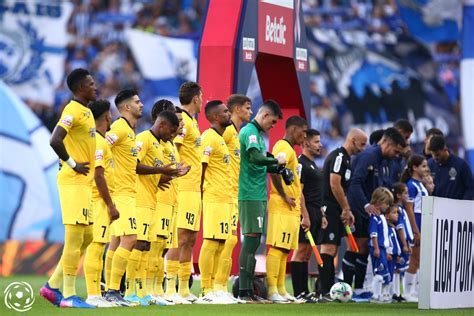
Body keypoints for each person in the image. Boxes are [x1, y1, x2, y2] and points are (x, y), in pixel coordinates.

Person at [40, 68, 98, 308]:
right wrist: (72, 164)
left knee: (88, 236)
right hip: (74, 181)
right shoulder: (72, 110)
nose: (95, 87)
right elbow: (55, 139)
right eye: (91, 84)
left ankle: (52, 286)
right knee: (75, 238)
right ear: (80, 88)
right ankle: (69, 295)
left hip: (84, 183)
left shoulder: (86, 112)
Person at [133, 110, 187, 305]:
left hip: (155, 200)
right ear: (163, 124)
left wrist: (174, 174)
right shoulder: (144, 139)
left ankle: (151, 291)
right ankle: (135, 290)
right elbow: (134, 165)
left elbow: (157, 176)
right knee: (144, 245)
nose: (173, 134)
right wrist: (162, 170)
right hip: (141, 200)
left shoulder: (160, 144)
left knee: (154, 247)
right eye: (173, 130)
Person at [345, 127, 405, 300]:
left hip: (369, 211)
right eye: (395, 150)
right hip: (357, 208)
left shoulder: (383, 160)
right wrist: (365, 205)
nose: (396, 154)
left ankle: (357, 289)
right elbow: (355, 183)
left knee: (363, 248)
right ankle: (347, 288)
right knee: (355, 246)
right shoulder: (369, 156)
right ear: (385, 142)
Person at [237, 100, 285, 303]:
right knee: (250, 241)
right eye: (272, 122)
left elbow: (259, 164)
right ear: (264, 115)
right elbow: (256, 158)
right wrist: (276, 161)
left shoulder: (257, 135)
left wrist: (277, 168)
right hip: (250, 194)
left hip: (256, 193)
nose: (272, 126)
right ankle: (244, 292)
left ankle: (248, 291)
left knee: (254, 240)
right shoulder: (251, 132)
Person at [318, 128, 368, 301]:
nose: (363, 148)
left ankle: (327, 289)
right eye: (362, 144)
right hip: (329, 208)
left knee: (333, 249)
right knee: (328, 248)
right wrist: (346, 208)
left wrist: (347, 209)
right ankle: (325, 291)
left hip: (336, 209)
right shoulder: (339, 156)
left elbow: (342, 188)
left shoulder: (347, 158)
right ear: (352, 140)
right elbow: (334, 184)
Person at [103, 89, 142, 306]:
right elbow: (101, 145)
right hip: (121, 193)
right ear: (127, 107)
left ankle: (109, 290)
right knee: (130, 239)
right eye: (137, 102)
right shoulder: (119, 127)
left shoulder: (129, 130)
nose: (141, 104)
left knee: (116, 242)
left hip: (127, 191)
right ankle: (112, 290)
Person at [266, 116, 310, 304]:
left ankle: (282, 289)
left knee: (284, 250)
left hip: (291, 206)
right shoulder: (283, 147)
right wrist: (283, 195)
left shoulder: (291, 150)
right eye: (304, 132)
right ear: (293, 129)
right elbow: (274, 168)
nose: (305, 137)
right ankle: (272, 290)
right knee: (278, 247)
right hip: (282, 204)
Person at [195, 100, 235, 304]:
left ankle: (217, 289)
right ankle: (205, 289)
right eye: (226, 112)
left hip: (225, 197)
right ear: (215, 117)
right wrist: (201, 195)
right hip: (214, 197)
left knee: (221, 243)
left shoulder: (220, 139)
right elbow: (201, 168)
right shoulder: (208, 138)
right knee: (211, 241)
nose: (229, 114)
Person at [166, 82, 203, 303]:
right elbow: (175, 150)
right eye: (202, 96)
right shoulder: (182, 121)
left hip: (194, 188)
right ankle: (170, 289)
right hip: (184, 187)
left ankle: (183, 289)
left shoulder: (192, 123)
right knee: (179, 238)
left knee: (190, 239)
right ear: (196, 98)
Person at [214, 94, 252, 302]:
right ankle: (215, 287)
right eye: (247, 108)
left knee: (231, 240)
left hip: (235, 192)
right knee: (226, 240)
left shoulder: (237, 133)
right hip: (225, 192)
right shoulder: (227, 132)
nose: (250, 112)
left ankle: (222, 287)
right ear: (236, 109)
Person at [83, 99, 118, 308]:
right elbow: (98, 176)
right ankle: (93, 294)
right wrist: (110, 205)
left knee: (99, 247)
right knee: (96, 248)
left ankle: (97, 293)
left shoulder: (101, 140)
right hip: (98, 200)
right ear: (107, 116)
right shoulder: (97, 140)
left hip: (100, 200)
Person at [290, 129, 325, 303]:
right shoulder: (301, 164)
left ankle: (305, 291)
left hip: (316, 212)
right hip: (307, 212)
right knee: (300, 251)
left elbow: (316, 192)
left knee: (307, 254)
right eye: (317, 142)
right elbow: (299, 192)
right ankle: (299, 293)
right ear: (306, 143)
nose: (320, 145)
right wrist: (305, 215)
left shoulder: (312, 164)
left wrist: (322, 214)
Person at [400, 154, 430, 302]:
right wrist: (415, 230)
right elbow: (409, 209)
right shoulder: (411, 185)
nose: (426, 169)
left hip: (422, 221)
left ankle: (416, 291)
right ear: (414, 168)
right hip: (416, 222)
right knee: (414, 258)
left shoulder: (420, 185)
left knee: (420, 259)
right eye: (423, 166)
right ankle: (407, 292)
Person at [367, 188, 394, 304]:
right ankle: (375, 295)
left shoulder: (381, 217)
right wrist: (376, 248)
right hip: (377, 248)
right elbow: (374, 234)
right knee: (379, 272)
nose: (387, 206)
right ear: (378, 202)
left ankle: (383, 295)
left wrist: (386, 250)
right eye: (386, 203)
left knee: (385, 273)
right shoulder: (374, 218)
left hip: (382, 248)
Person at [428, 135, 474, 200]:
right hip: (438, 207)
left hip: (458, 207)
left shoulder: (461, 165)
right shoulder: (430, 165)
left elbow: (470, 188)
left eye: (437, 154)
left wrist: (463, 204)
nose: (434, 157)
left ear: (445, 149)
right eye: (432, 154)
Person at [390, 182, 412, 302]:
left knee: (399, 269)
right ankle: (394, 293)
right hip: (400, 243)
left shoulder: (401, 209)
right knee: (396, 268)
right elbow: (400, 227)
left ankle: (398, 292)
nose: (407, 195)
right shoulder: (397, 210)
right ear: (398, 195)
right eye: (405, 193)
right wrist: (404, 244)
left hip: (405, 242)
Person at [385, 204, 401, 302]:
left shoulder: (392, 228)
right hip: (389, 255)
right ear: (387, 216)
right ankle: (383, 294)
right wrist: (387, 252)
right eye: (394, 213)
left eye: (397, 213)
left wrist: (398, 254)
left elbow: (395, 243)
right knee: (386, 275)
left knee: (391, 274)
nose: (396, 215)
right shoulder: (386, 228)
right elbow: (386, 242)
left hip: (394, 256)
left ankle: (391, 294)